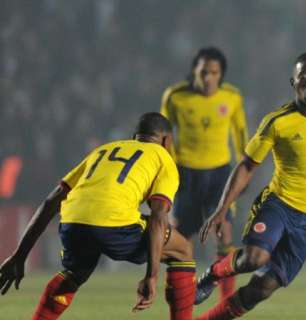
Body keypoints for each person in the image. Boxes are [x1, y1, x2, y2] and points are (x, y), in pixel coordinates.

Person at [191, 52, 306, 320]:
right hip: (279, 204)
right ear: (293, 82)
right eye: (303, 77)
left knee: (263, 288)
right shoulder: (278, 121)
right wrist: (223, 208)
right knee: (253, 258)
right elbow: (247, 165)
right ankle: (213, 274)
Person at [0, 112, 197, 320]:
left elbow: (51, 202)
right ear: (166, 140)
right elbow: (158, 216)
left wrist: (19, 256)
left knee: (75, 273)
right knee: (183, 250)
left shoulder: (104, 150)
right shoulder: (163, 157)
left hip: (72, 222)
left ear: (135, 136)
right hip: (115, 227)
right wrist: (152, 276)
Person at [160, 46, 248, 300]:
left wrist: (246, 168)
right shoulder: (175, 96)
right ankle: (183, 298)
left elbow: (241, 136)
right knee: (180, 240)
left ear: (221, 75)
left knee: (225, 233)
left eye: (213, 73)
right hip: (185, 174)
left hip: (220, 174)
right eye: (203, 72)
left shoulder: (232, 97)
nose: (208, 78)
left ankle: (226, 302)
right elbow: (164, 136)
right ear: (194, 72)